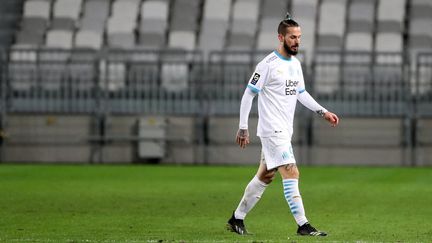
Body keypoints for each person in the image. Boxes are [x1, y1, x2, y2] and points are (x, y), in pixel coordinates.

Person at [226, 14, 339, 237]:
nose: (296, 41)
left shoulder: (295, 65)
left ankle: (236, 218)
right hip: (272, 129)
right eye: (292, 37)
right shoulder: (267, 65)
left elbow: (301, 93)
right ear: (281, 38)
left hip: (284, 130)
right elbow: (249, 94)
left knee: (266, 176)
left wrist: (322, 111)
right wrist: (243, 126)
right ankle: (303, 225)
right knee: (291, 171)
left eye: (299, 37)